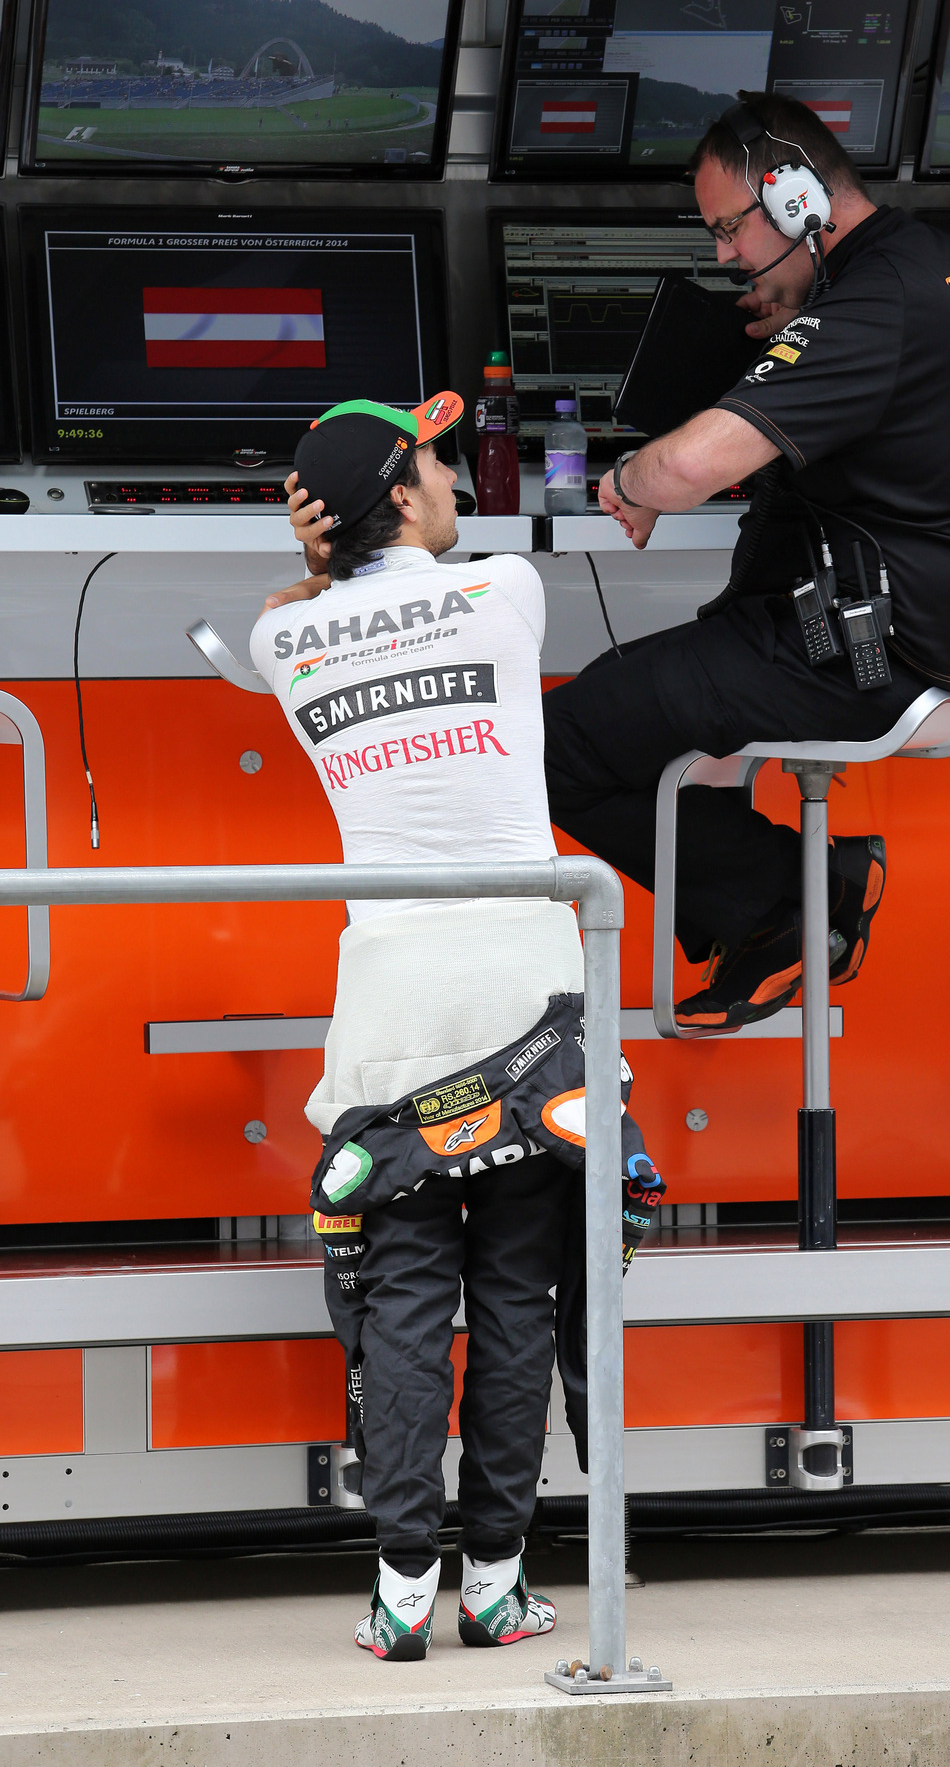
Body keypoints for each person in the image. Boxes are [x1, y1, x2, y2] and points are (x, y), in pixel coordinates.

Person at [541, 91, 950, 1029]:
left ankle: (798, 900)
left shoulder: (872, 306)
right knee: (641, 715)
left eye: (731, 227)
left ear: (798, 193)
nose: (726, 256)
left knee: (556, 746)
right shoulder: (946, 266)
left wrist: (633, 481)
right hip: (928, 629)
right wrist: (797, 328)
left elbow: (687, 467)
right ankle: (778, 909)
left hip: (866, 654)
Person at [249, 394, 599, 1662]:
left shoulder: (282, 642)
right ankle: (496, 1583)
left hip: (390, 1009)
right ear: (401, 497)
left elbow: (300, 618)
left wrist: (315, 567)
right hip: (526, 998)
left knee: (402, 1299)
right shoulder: (503, 590)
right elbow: (430, 584)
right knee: (516, 1292)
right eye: (437, 460)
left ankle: (400, 1593)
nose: (455, 475)